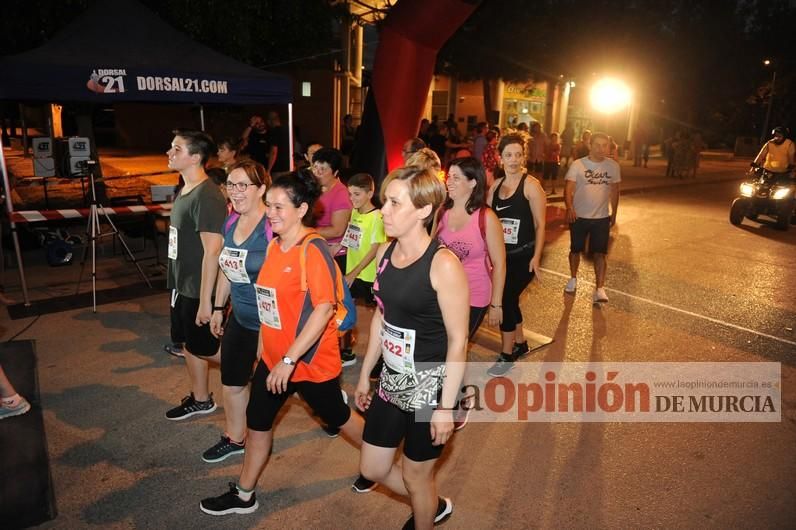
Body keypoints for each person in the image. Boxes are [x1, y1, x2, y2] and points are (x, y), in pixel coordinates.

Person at [200, 170, 372, 516]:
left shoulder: (313, 249)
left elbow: (323, 310)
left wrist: (289, 360)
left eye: (280, 206)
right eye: (269, 205)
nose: (272, 212)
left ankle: (378, 460)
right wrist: (266, 350)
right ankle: (245, 494)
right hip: (276, 361)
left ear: (302, 209)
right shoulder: (275, 247)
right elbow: (270, 306)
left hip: (308, 363)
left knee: (339, 417)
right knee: (257, 420)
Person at [355, 165, 469, 530]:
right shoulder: (386, 253)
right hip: (391, 381)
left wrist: (445, 408)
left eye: (393, 202)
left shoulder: (443, 264)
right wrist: (363, 375)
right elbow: (380, 319)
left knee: (416, 477)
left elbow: (458, 340)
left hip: (429, 389)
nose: (383, 210)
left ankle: (426, 511)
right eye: (385, 201)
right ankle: (432, 504)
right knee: (371, 468)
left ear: (423, 210)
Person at [202, 160, 271, 463]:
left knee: (300, 388)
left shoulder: (272, 226)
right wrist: (219, 307)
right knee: (232, 381)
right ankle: (236, 438)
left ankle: (338, 416)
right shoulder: (230, 221)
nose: (236, 191)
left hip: (271, 323)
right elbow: (227, 269)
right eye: (231, 184)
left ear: (262, 190)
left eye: (244, 185)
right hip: (240, 318)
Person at [436, 157, 506, 429]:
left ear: (472, 182)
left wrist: (496, 304)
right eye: (448, 176)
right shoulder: (441, 212)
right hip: (443, 292)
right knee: (444, 345)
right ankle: (451, 389)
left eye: (455, 177)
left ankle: (457, 398)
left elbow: (500, 263)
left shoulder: (486, 218)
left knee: (456, 344)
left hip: (475, 295)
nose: (448, 182)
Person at [164, 130, 228, 421]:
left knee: (205, 347)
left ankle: (268, 374)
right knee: (189, 345)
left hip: (198, 288)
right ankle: (201, 399)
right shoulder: (185, 188)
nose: (170, 153)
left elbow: (213, 251)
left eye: (177, 149)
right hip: (181, 283)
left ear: (195, 157)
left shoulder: (208, 194)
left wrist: (207, 302)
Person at [485, 134, 546, 377]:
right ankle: (520, 343)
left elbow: (541, 225)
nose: (513, 160)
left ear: (524, 157)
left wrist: (537, 257)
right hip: (502, 257)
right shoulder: (495, 187)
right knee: (510, 299)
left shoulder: (531, 185)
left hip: (524, 257)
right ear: (500, 158)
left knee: (506, 299)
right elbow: (488, 221)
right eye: (508, 155)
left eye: (518, 155)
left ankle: (507, 354)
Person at [563, 132, 621, 304]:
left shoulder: (613, 166)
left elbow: (615, 191)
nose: (601, 149)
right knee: (575, 250)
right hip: (579, 216)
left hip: (601, 217)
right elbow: (568, 189)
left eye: (605, 145)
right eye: (597, 145)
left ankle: (600, 288)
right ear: (590, 145)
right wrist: (570, 208)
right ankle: (573, 278)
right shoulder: (578, 165)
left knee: (600, 253)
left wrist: (614, 214)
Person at [311, 147, 354, 366]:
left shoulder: (341, 194)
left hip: (335, 254)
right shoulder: (313, 188)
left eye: (323, 168)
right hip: (315, 250)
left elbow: (338, 229)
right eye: (315, 166)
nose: (317, 171)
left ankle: (344, 349)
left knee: (337, 302)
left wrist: (305, 231)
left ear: (335, 171)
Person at [266, 111, 291, 177]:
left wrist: (268, 170)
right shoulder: (288, 131)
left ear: (269, 121)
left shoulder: (274, 132)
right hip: (289, 168)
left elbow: (274, 152)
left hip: (278, 170)